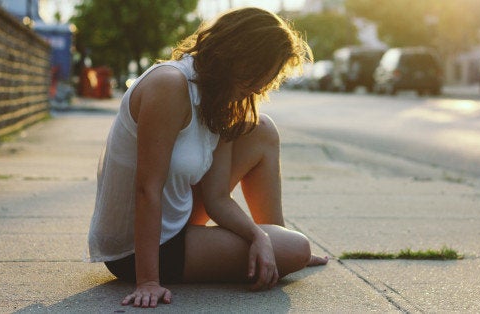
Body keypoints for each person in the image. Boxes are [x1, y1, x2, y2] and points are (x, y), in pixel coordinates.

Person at [86, 7, 328, 308]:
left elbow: (216, 199)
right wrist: (148, 280)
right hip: (139, 248)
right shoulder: (170, 85)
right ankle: (280, 248)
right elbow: (147, 188)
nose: (261, 87)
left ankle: (275, 237)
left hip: (176, 219)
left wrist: (261, 238)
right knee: (296, 248)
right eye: (260, 76)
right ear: (239, 56)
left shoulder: (220, 97)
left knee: (262, 129)